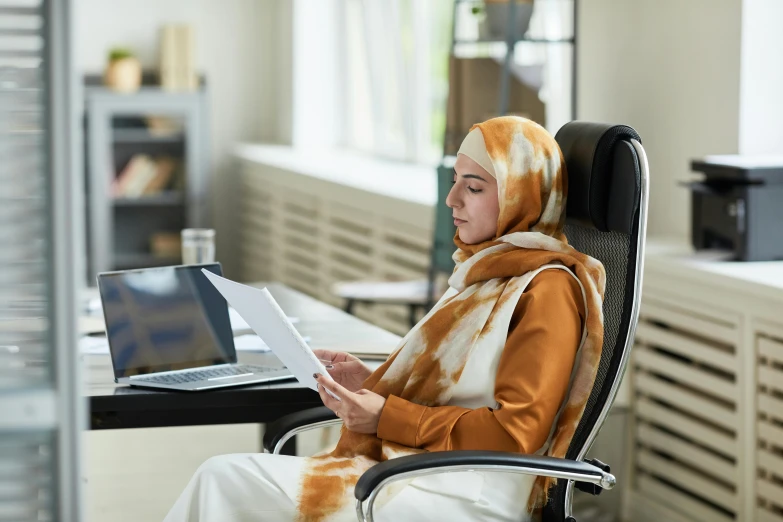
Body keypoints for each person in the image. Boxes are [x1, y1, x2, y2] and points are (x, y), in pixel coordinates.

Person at [164, 116, 606, 522]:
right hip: (420, 469)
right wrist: (373, 382)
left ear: (520, 197)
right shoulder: (486, 272)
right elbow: (464, 390)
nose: (452, 199)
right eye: (455, 182)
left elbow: (514, 435)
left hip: (469, 492)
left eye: (474, 188)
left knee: (222, 479)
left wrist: (386, 417)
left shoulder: (548, 290)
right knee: (225, 480)